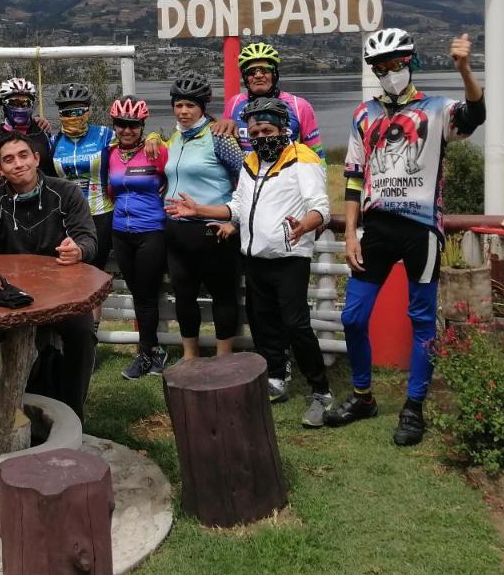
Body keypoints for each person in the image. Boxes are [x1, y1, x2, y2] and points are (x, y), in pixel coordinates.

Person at [325, 30, 485, 446]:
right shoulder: (364, 115)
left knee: (421, 321)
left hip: (422, 229)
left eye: (397, 64)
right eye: (381, 67)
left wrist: (465, 69)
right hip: (377, 228)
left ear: (410, 62)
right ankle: (363, 397)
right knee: (353, 317)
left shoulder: (435, 109)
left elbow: (473, 116)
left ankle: (414, 408)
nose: (390, 73)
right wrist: (350, 234)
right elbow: (355, 177)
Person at [166, 97, 334, 427]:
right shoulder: (251, 163)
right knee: (263, 322)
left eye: (267, 130)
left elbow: (321, 206)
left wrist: (305, 224)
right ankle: (274, 379)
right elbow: (238, 208)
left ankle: (320, 390)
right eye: (255, 131)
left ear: (283, 130)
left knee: (296, 324)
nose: (261, 136)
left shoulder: (303, 159)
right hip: (254, 257)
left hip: (289, 257)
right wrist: (200, 210)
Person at [0, 132, 99, 419]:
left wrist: (78, 250)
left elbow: (88, 239)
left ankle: (71, 413)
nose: (18, 164)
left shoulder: (66, 192)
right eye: (8, 159)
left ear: (36, 158)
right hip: (14, 296)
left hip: (62, 293)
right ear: (0, 170)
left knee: (82, 334)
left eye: (23, 155)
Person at [162, 72, 244, 359]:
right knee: (183, 296)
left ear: (202, 108)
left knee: (223, 296)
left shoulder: (220, 137)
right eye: (178, 105)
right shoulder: (175, 138)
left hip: (212, 230)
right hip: (177, 230)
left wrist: (233, 220)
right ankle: (190, 356)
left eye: (190, 106)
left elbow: (246, 181)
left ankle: (224, 357)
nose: (183, 111)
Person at [105, 95, 170, 380]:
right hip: (121, 232)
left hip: (151, 231)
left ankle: (146, 353)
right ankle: (154, 352)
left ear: (142, 125)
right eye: (121, 124)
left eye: (133, 125)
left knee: (146, 295)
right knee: (138, 292)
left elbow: (178, 176)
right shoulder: (111, 154)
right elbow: (110, 191)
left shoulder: (157, 151)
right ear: (115, 125)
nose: (127, 130)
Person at [214, 42, 324, 157]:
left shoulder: (299, 106)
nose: (258, 75)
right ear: (245, 77)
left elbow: (316, 153)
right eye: (251, 72)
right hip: (246, 173)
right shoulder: (234, 103)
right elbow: (223, 144)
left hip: (286, 173)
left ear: (274, 74)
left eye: (265, 70)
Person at [49, 83, 116, 272]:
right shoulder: (53, 142)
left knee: (96, 272)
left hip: (100, 215)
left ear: (87, 112)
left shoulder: (105, 135)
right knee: (69, 272)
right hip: (68, 218)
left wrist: (154, 137)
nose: (74, 117)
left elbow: (134, 144)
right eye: (67, 113)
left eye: (79, 111)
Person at [0, 77, 56, 178]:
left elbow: (53, 170)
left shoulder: (42, 131)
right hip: (9, 192)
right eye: (14, 103)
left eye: (25, 103)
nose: (20, 108)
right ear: (3, 104)